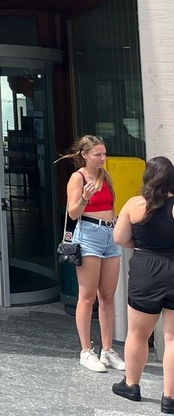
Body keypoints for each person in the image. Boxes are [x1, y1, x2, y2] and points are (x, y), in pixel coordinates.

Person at [111, 156, 174, 409]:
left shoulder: (135, 204)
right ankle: (170, 397)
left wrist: (142, 245)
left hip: (145, 270)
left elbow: (120, 239)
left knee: (137, 334)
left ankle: (131, 384)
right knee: (172, 337)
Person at [59, 134, 124, 372]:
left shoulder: (104, 176)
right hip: (88, 235)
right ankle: (86, 351)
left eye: (104, 153)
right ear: (84, 155)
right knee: (87, 297)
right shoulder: (78, 178)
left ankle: (107, 350)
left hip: (110, 234)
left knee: (108, 295)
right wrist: (85, 197)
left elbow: (111, 206)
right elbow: (73, 213)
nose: (102, 158)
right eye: (97, 154)